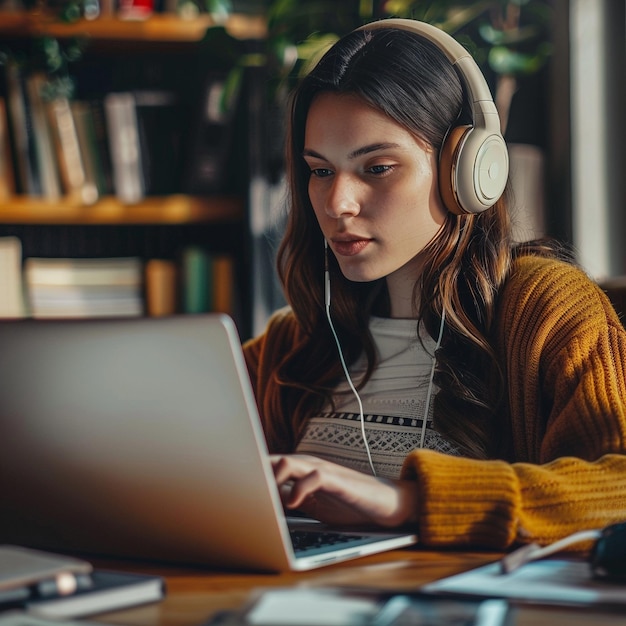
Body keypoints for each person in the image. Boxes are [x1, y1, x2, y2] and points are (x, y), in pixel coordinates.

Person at [242, 17, 626, 550]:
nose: (336, 204)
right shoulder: (293, 343)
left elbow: (617, 488)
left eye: (376, 168)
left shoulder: (548, 309)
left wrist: (407, 502)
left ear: (466, 170)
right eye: (320, 171)